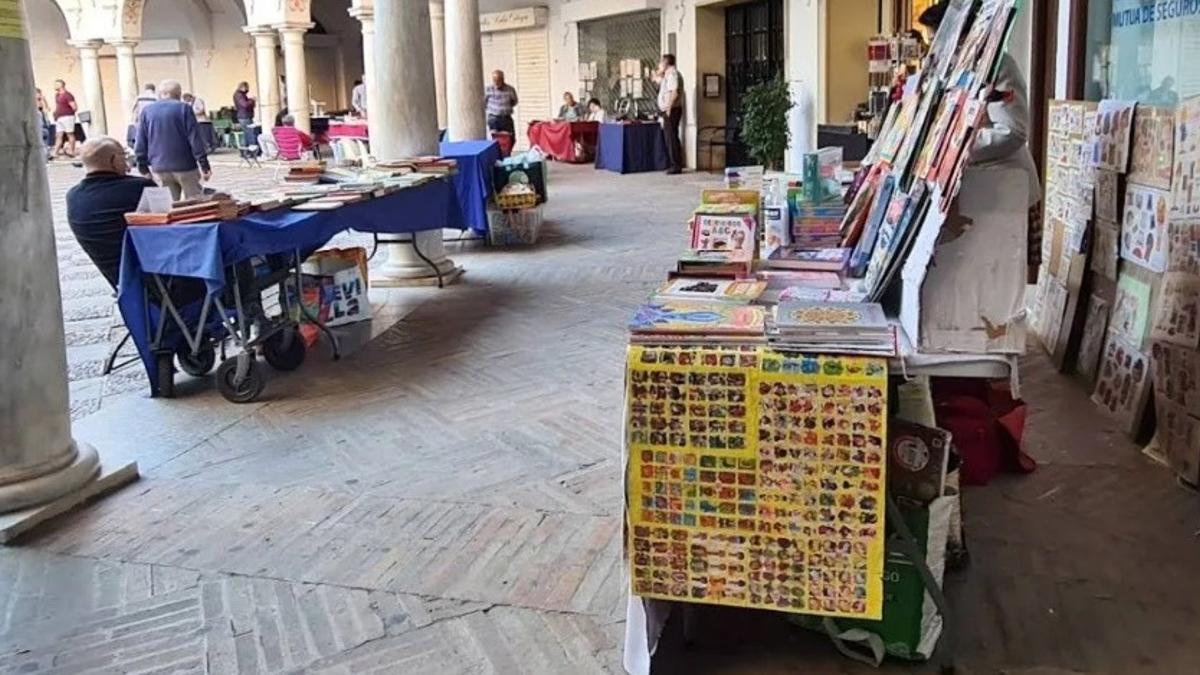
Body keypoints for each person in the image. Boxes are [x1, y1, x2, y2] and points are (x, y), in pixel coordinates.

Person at [918, 1, 1042, 281]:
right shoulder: (951, 69)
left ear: (962, 34)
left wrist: (952, 148)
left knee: (1001, 280)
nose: (936, 48)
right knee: (977, 278)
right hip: (978, 190)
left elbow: (1012, 132)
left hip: (1006, 187)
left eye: (938, 39)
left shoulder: (999, 66)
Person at [66, 137, 157, 287]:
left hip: (121, 283)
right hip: (160, 278)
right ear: (114, 160)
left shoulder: (73, 196)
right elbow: (172, 226)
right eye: (124, 157)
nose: (127, 165)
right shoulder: (140, 187)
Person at [136, 79, 211, 201]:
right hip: (185, 165)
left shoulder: (147, 111)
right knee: (195, 202)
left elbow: (141, 141)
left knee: (169, 205)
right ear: (179, 94)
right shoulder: (184, 108)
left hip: (159, 166)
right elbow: (195, 139)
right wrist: (204, 165)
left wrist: (142, 167)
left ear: (161, 93)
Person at [656, 54, 684, 175]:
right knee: (670, 137)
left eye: (661, 62)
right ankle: (674, 163)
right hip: (670, 109)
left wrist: (668, 107)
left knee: (671, 138)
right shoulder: (668, 75)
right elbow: (658, 80)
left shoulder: (672, 74)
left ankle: (675, 165)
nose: (659, 65)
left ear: (666, 63)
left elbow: (674, 92)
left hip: (672, 110)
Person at [485, 70, 519, 136]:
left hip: (506, 118)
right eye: (494, 80)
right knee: (496, 139)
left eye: (498, 80)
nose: (496, 82)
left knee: (510, 137)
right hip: (493, 118)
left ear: (503, 79)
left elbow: (514, 101)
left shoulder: (510, 89)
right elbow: (484, 102)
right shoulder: (488, 89)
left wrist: (505, 107)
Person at [51, 79, 78, 158]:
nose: (54, 86)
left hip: (67, 117)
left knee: (70, 134)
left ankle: (72, 151)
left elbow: (74, 107)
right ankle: (55, 152)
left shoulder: (68, 95)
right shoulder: (57, 95)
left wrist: (68, 112)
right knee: (58, 135)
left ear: (61, 85)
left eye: (56, 84)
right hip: (59, 118)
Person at [128, 83, 157, 148]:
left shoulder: (139, 97)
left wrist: (133, 120)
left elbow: (134, 109)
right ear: (153, 89)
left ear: (145, 89)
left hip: (140, 121)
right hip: (152, 121)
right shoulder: (156, 97)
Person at [233, 81, 258, 149]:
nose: (247, 89)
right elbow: (245, 105)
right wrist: (252, 100)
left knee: (247, 134)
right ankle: (252, 149)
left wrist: (250, 100)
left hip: (244, 116)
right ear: (243, 87)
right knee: (250, 134)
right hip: (245, 117)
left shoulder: (240, 95)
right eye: (247, 87)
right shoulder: (239, 95)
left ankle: (247, 150)